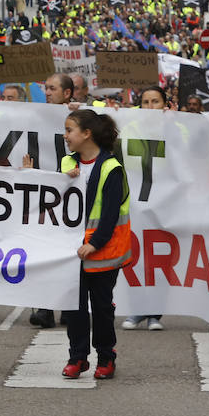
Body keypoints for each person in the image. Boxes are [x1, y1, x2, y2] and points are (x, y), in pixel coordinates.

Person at [60, 109, 131, 380]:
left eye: (70, 130)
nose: (65, 136)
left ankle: (105, 356)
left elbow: (111, 212)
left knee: (101, 308)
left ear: (86, 134)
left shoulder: (111, 168)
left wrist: (96, 243)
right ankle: (77, 357)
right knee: (74, 308)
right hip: (73, 251)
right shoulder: (68, 163)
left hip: (103, 252)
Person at [121, 86, 171, 332]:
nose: (150, 107)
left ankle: (155, 314)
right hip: (136, 203)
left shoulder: (177, 128)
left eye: (155, 101)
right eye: (146, 102)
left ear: (165, 104)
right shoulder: (130, 128)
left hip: (165, 203)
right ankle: (137, 309)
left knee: (160, 258)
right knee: (135, 258)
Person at [30, 73, 76, 328]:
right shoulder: (35, 115)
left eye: (52, 88)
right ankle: (44, 308)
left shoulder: (83, 114)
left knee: (69, 254)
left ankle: (69, 307)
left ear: (67, 93)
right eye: (45, 88)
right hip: (45, 195)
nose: (47, 92)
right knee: (44, 252)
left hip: (72, 193)